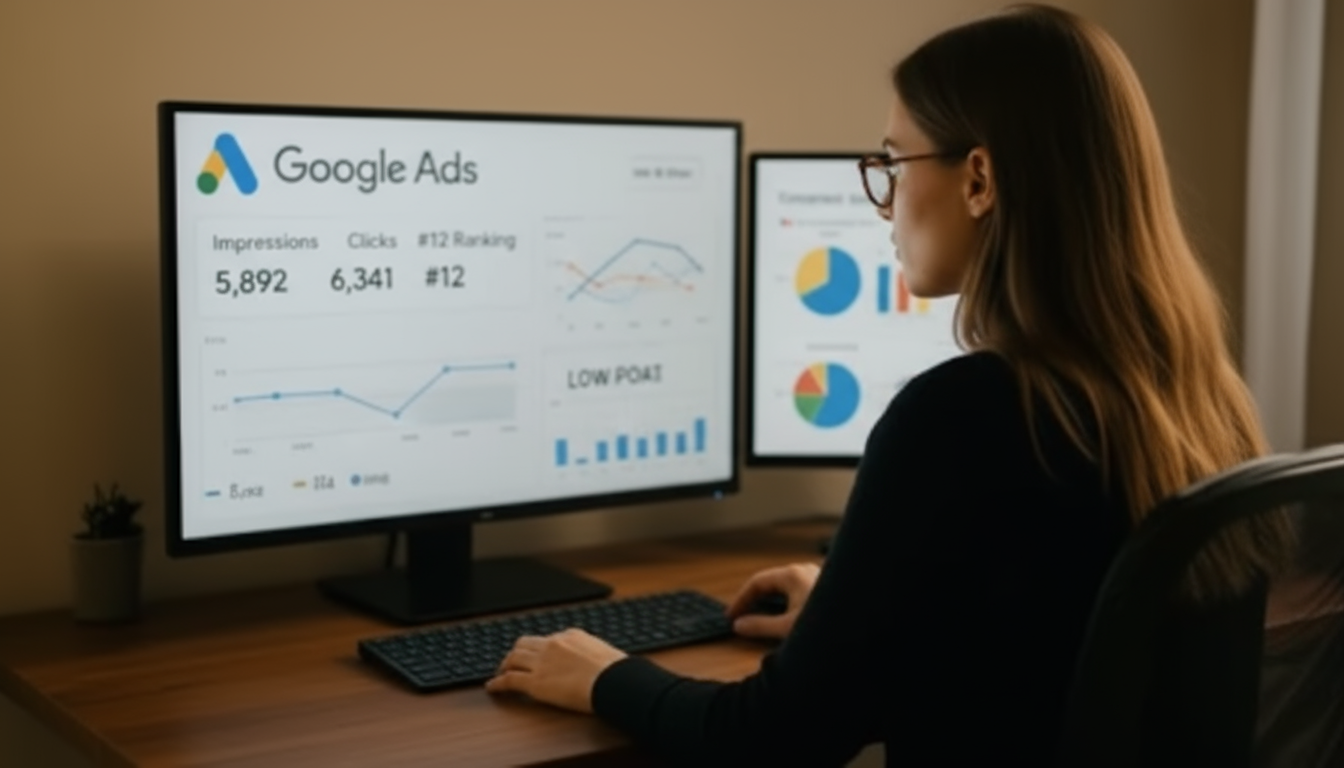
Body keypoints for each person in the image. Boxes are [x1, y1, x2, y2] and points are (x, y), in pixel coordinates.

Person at [485, 4, 1288, 765]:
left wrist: (602, 673)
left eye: (892, 163)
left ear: (979, 180)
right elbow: (1035, 628)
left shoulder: (963, 415)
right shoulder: (1200, 402)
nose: (885, 202)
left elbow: (770, 742)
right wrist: (852, 604)